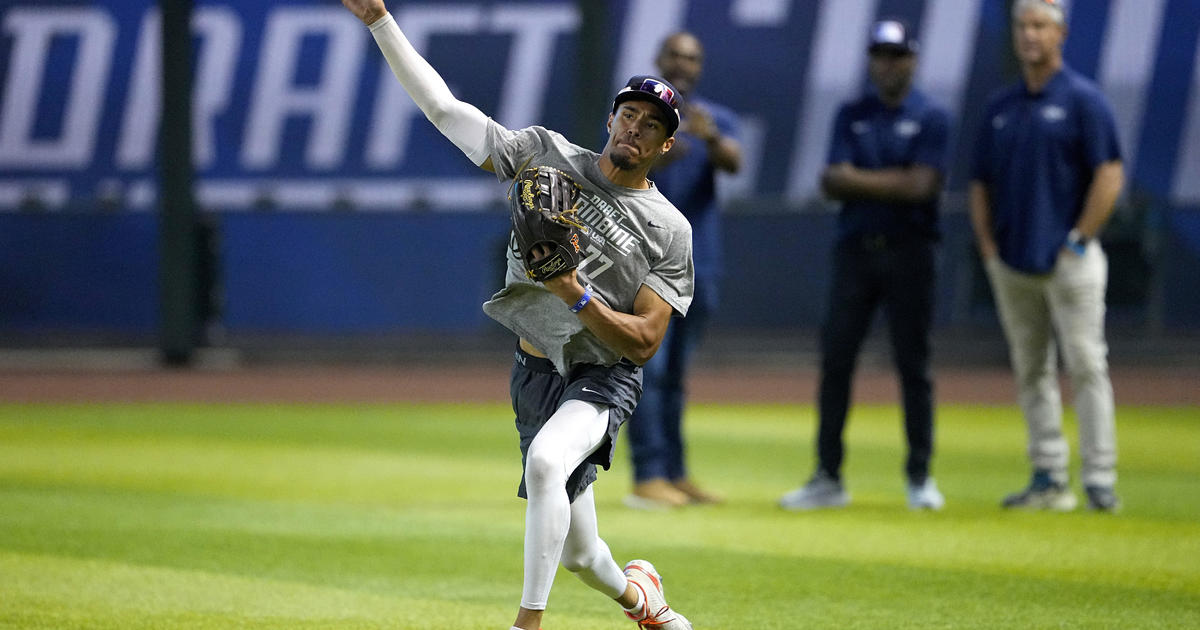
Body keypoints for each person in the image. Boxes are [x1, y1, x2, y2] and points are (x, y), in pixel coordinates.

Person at [340, 2, 696, 628]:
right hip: (534, 375)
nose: (635, 128)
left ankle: (526, 622)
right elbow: (448, 113)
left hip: (602, 377)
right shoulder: (547, 156)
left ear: (666, 145)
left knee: (546, 463)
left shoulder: (669, 229)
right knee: (583, 556)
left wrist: (571, 290)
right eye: (630, 113)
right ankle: (644, 599)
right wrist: (379, 22)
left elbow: (643, 343)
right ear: (611, 118)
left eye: (651, 124)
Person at [779, 19, 950, 511]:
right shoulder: (851, 112)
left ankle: (920, 477)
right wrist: (891, 180)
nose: (889, 63)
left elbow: (922, 187)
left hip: (911, 250)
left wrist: (860, 178)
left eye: (897, 55)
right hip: (856, 250)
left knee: (913, 364)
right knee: (836, 361)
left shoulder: (932, 116)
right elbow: (831, 182)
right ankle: (827, 476)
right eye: (881, 54)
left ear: (912, 61)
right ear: (872, 61)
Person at [968, 0, 1124, 512]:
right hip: (1012, 259)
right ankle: (1048, 477)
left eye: (1039, 25)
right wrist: (989, 247)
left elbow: (1109, 173)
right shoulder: (1001, 106)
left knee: (1086, 363)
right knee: (1031, 368)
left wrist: (1080, 237)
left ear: (1060, 33)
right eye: (1022, 25)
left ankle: (1099, 477)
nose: (1029, 34)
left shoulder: (1083, 100)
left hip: (1070, 258)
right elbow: (979, 183)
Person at [624, 31, 742, 510]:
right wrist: (657, 148)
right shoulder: (636, 119)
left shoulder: (712, 118)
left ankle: (675, 472)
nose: (683, 64)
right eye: (674, 55)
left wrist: (711, 137)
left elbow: (734, 162)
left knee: (676, 376)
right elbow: (608, 170)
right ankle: (648, 475)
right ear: (657, 59)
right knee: (648, 369)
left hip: (699, 263)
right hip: (647, 265)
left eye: (692, 57)